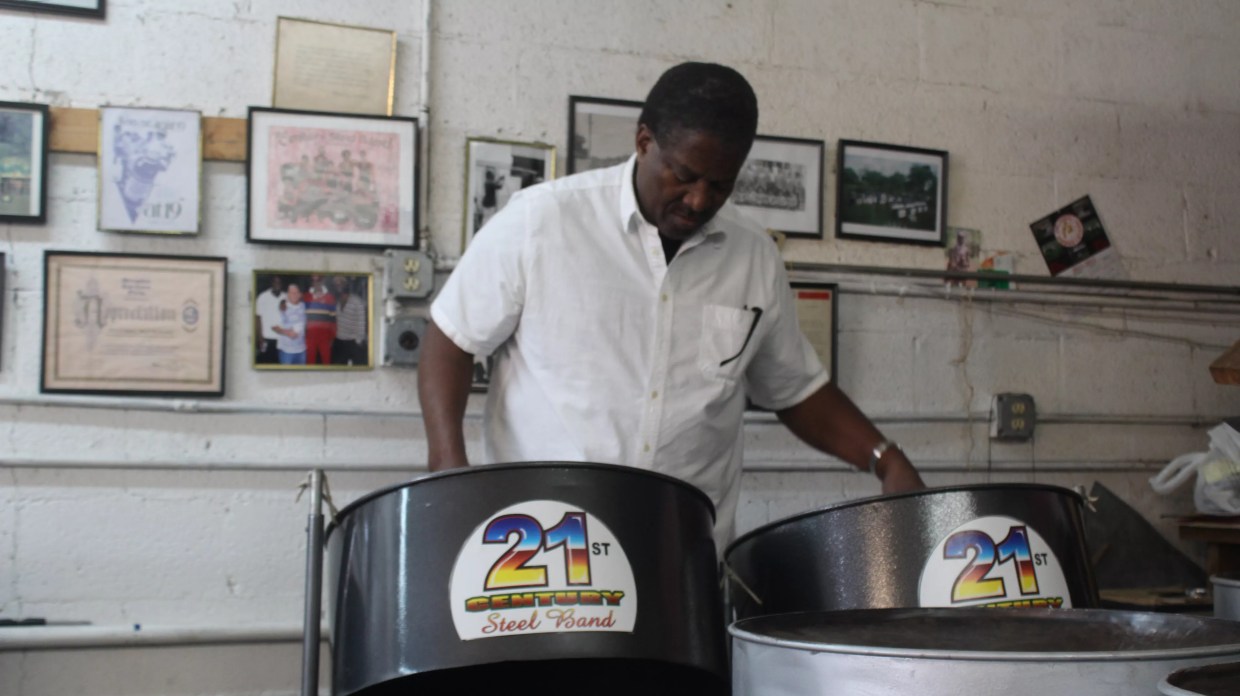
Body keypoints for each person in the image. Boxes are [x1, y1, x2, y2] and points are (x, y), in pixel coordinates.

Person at [419, 62, 925, 549]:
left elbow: (794, 389)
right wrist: (449, 474)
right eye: (684, 175)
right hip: (546, 549)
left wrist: (884, 457)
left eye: (721, 184)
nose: (700, 200)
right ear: (644, 143)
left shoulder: (754, 257)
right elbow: (450, 339)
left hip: (680, 557)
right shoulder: (543, 222)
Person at [332, 275, 368, 366]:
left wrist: (358, 340)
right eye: (336, 284)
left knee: (358, 371)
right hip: (339, 341)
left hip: (354, 342)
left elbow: (362, 322)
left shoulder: (357, 301)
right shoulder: (336, 301)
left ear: (346, 285)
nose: (338, 285)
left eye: (341, 282)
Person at [303, 274, 337, 365]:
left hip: (325, 337)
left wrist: (332, 338)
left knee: (326, 362)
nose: (316, 283)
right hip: (309, 337)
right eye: (313, 281)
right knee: (310, 363)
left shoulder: (330, 298)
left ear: (322, 281)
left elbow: (333, 320)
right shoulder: (306, 297)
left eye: (318, 281)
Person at [254, 275, 285, 364]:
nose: (277, 284)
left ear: (282, 284)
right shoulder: (262, 297)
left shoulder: (286, 296)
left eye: (279, 282)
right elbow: (257, 318)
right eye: (275, 282)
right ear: (271, 283)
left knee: (280, 365)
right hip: (267, 338)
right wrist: (259, 337)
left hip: (282, 339)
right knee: (266, 363)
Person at [273, 283, 306, 366]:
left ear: (300, 294)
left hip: (302, 350)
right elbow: (274, 327)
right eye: (291, 292)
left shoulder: (303, 306)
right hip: (286, 351)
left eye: (296, 292)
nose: (294, 295)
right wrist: (288, 333)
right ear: (287, 294)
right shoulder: (282, 307)